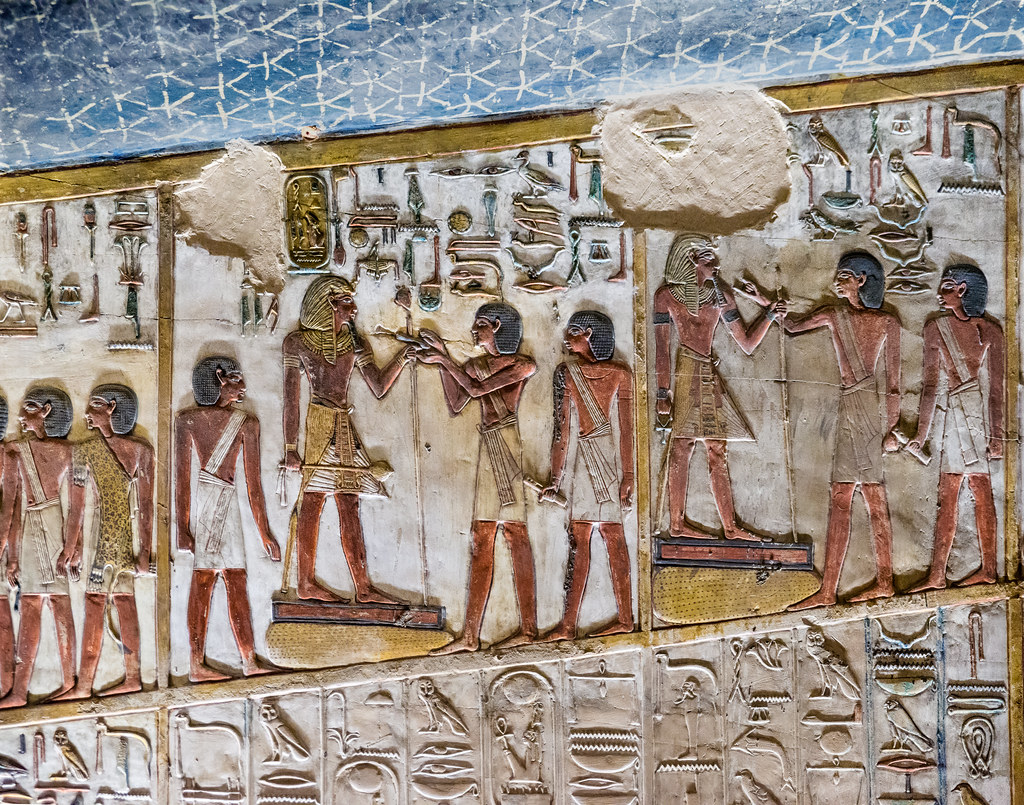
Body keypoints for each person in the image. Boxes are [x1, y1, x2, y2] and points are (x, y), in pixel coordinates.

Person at [282, 276, 413, 603]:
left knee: (349, 501)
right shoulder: (297, 343)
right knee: (313, 500)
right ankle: (305, 582)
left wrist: (403, 357)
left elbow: (378, 386)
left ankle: (363, 587)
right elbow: (290, 399)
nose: (353, 308)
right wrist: (290, 448)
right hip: (320, 423)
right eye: (346, 302)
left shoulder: (354, 343)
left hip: (343, 425)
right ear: (328, 303)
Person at [418, 303, 538, 654]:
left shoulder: (522, 364)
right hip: (488, 446)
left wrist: (445, 360)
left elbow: (475, 390)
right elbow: (457, 402)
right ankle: (470, 635)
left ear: (498, 326)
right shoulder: (473, 366)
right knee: (481, 537)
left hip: (508, 443)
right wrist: (442, 364)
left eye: (480, 323)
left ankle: (529, 629)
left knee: (516, 536)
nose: (474, 329)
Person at [786, 252, 902, 610]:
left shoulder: (887, 322)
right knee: (844, 496)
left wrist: (892, 429)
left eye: (845, 275)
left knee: (871, 496)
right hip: (849, 405)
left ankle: (882, 582)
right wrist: (767, 304)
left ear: (862, 280)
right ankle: (832, 588)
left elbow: (894, 384)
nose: (837, 281)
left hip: (866, 409)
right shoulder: (833, 315)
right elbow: (792, 327)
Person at [653, 234, 786, 540]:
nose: (716, 264)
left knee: (717, 447)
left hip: (708, 373)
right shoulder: (666, 296)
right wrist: (662, 393)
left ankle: (729, 526)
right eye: (709, 258)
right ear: (690, 260)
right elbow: (662, 349)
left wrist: (769, 315)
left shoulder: (720, 296)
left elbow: (747, 343)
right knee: (682, 446)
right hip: (686, 371)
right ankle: (677, 524)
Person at [175, 356, 281, 682]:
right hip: (208, 504)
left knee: (236, 580)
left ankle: (248, 659)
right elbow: (182, 479)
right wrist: (182, 528)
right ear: (219, 378)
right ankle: (196, 663)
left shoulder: (247, 424)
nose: (244, 385)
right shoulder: (188, 421)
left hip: (228, 505)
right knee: (203, 580)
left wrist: (264, 532)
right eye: (236, 378)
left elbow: (253, 485)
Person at [907, 264, 1004, 591]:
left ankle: (989, 568)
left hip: (974, 413)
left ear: (963, 290)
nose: (939, 291)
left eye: (946, 286)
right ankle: (937, 574)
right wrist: (920, 435)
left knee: (981, 490)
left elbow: (996, 390)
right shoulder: (935, 328)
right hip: (954, 415)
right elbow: (930, 386)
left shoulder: (989, 331)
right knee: (947, 493)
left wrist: (996, 436)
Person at [540, 311, 634, 640]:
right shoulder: (567, 373)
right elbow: (562, 432)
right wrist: (555, 481)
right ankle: (569, 624)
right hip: (586, 462)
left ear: (590, 333)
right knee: (581, 540)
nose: (566, 337)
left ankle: (624, 618)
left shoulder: (620, 374)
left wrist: (629, 476)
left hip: (604, 459)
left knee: (612, 537)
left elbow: (626, 430)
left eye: (574, 331)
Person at [57, 384, 153, 699]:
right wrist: (71, 549)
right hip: (109, 537)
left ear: (112, 407)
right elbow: (77, 509)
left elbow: (146, 506)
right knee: (110, 602)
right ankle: (106, 681)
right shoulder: (85, 450)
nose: (86, 412)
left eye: (94, 405)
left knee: (106, 602)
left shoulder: (139, 451)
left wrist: (145, 553)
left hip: (114, 537)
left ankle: (102, 682)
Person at [0, 389, 76, 706]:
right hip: (31, 528)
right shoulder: (14, 451)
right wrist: (13, 557)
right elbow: (12, 507)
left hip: (54, 525)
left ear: (46, 411)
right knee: (31, 605)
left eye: (28, 408)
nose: (20, 416)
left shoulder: (69, 452)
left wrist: (73, 546)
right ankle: (20, 690)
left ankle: (70, 680)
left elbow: (78, 506)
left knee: (60, 602)